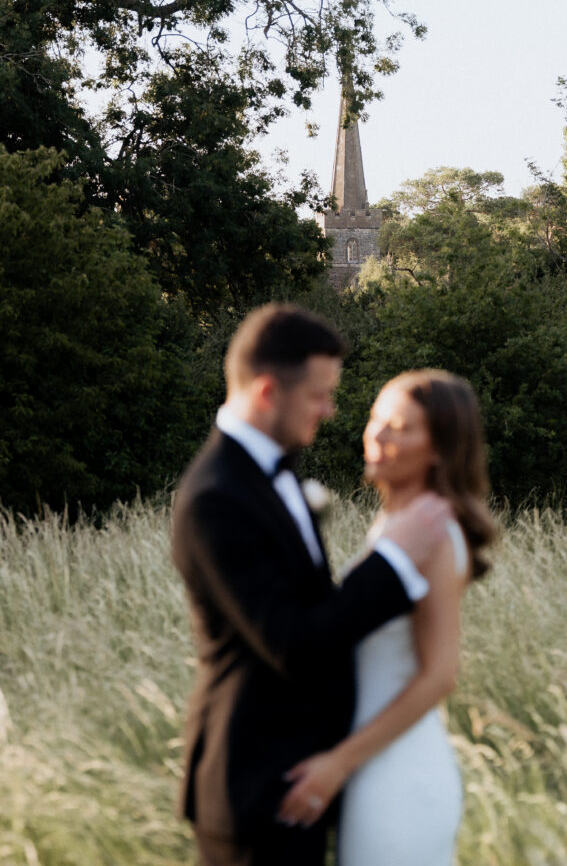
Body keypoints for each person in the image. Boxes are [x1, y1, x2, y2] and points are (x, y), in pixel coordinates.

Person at [171, 306, 451, 866]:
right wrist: (394, 560)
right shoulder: (215, 500)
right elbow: (293, 644)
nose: (330, 409)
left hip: (299, 781)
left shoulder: (275, 470)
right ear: (269, 391)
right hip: (252, 787)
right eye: (319, 395)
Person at [278, 369, 497, 865]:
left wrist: (337, 764)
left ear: (439, 448)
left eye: (400, 427)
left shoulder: (433, 531)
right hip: (371, 766)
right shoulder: (396, 522)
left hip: (398, 774)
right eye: (377, 419)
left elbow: (439, 675)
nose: (377, 433)